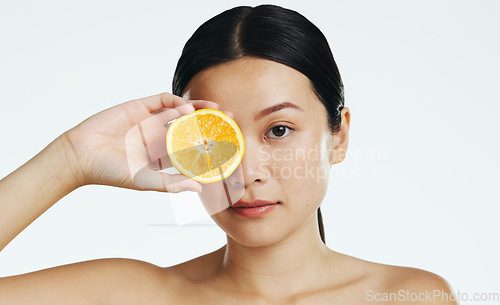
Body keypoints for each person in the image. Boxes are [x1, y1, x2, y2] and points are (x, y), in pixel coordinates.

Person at [0, 4, 456, 304]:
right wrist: (70, 159)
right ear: (180, 144)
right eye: (217, 139)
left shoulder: (409, 296)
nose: (247, 172)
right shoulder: (135, 295)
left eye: (279, 129)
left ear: (338, 137)